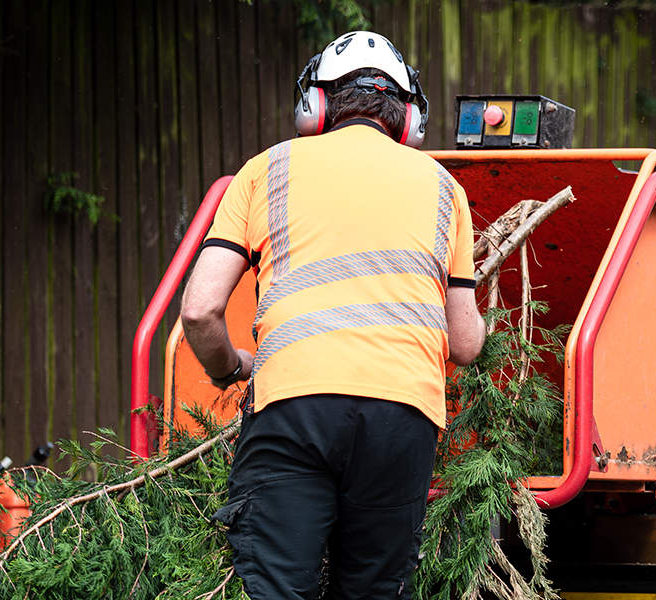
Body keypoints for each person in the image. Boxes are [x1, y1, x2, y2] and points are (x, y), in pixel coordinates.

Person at [180, 30, 484, 600]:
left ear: (314, 105)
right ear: (408, 118)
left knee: (274, 588)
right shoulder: (446, 190)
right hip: (403, 416)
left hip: (294, 410)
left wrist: (229, 370)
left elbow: (199, 311)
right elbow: (465, 345)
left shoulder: (264, 171)